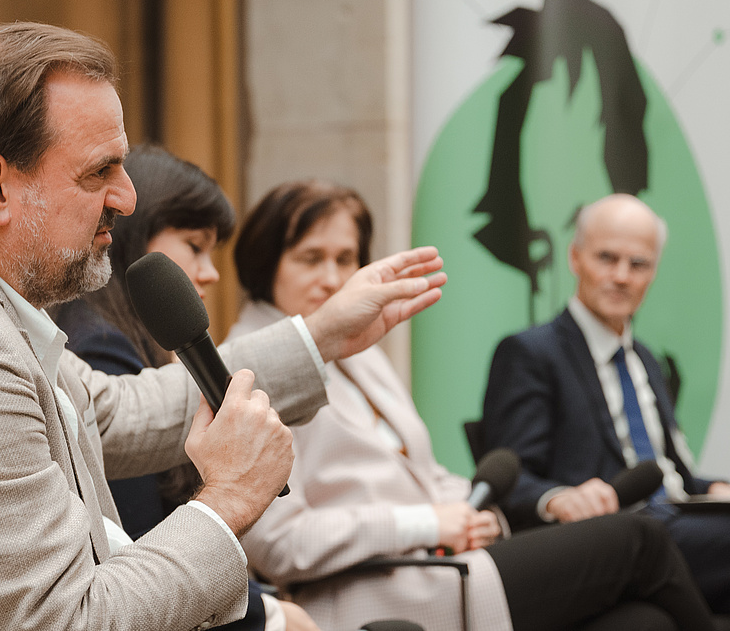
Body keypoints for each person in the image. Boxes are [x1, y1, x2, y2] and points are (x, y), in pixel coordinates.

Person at [0, 23, 446, 631]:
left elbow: (112, 413)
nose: (128, 197)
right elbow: (70, 620)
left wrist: (320, 334)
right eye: (99, 172)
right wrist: (230, 498)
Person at [229, 180, 720, 631]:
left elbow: (425, 473)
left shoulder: (358, 353)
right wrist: (427, 522)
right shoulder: (251, 367)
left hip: (445, 563)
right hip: (380, 589)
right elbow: (278, 545)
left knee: (645, 622)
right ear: (265, 261)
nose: (333, 278)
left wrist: (476, 511)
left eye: (345, 258)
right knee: (640, 541)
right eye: (310, 258)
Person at [53, 143, 320, 631]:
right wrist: (273, 615)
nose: (211, 273)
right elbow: (134, 550)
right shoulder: (99, 347)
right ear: (132, 241)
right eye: (195, 246)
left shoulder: (127, 343)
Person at [481, 192, 730, 613]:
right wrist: (558, 497)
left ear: (653, 273)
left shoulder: (646, 360)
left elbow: (673, 472)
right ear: (575, 258)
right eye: (606, 258)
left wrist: (713, 488)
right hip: (613, 539)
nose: (621, 276)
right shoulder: (531, 353)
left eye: (638, 265)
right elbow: (510, 477)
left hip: (678, 521)